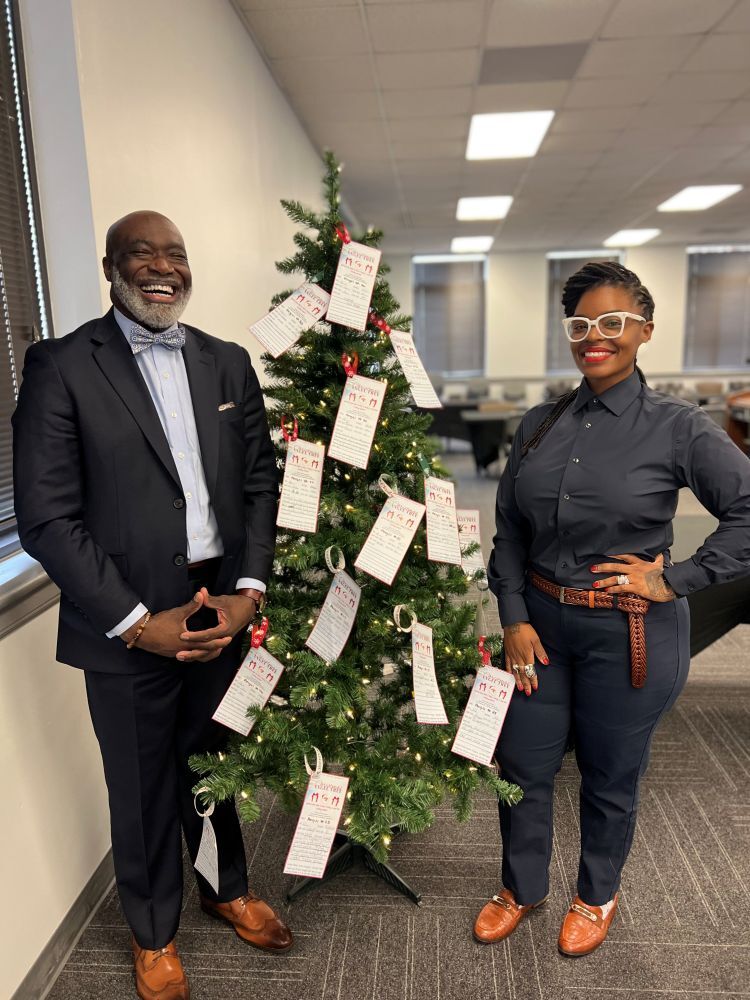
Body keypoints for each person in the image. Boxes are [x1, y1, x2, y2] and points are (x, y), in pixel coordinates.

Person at [12, 211, 291, 1000]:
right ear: (112, 267)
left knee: (214, 762)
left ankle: (224, 886)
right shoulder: (61, 367)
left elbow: (258, 485)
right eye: (143, 253)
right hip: (126, 619)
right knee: (138, 786)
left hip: (220, 603)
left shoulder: (228, 362)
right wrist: (137, 621)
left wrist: (249, 593)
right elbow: (48, 518)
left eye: (176, 253)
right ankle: (154, 933)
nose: (162, 266)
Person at [473, 261, 750, 957]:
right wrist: (512, 614)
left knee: (609, 774)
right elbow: (509, 529)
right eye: (580, 324)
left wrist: (677, 579)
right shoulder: (538, 425)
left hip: (628, 632)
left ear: (643, 331)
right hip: (538, 626)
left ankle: (596, 895)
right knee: (524, 765)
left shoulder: (679, 427)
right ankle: (521, 887)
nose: (595, 336)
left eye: (612, 322)